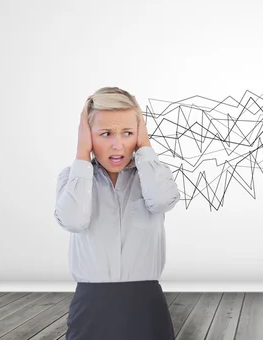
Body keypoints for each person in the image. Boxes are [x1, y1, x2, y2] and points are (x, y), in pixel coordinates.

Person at [54, 86, 180, 340]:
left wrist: (144, 145)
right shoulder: (73, 178)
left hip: (146, 306)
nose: (117, 144)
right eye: (105, 133)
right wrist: (81, 153)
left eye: (128, 133)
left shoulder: (151, 175)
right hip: (91, 306)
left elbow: (163, 201)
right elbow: (74, 220)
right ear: (88, 136)